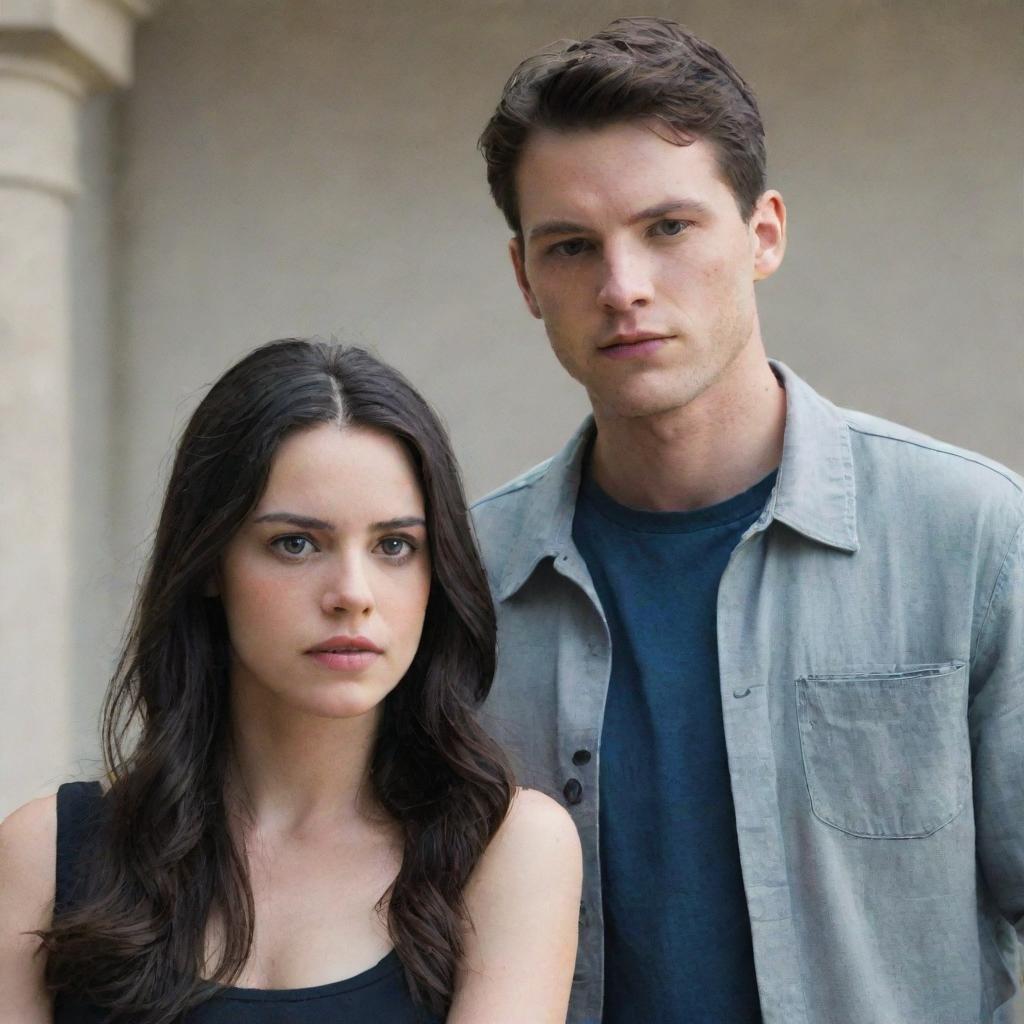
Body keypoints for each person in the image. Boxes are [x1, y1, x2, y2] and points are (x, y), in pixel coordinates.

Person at [472, 16, 1024, 1024]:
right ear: (524, 278)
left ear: (762, 233)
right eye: (571, 246)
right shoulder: (467, 579)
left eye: (668, 228)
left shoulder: (972, 535)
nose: (623, 287)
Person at [0, 340, 582, 1023]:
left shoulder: (506, 851)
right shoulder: (47, 855)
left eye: (395, 546)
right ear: (210, 562)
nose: (352, 594)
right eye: (296, 544)